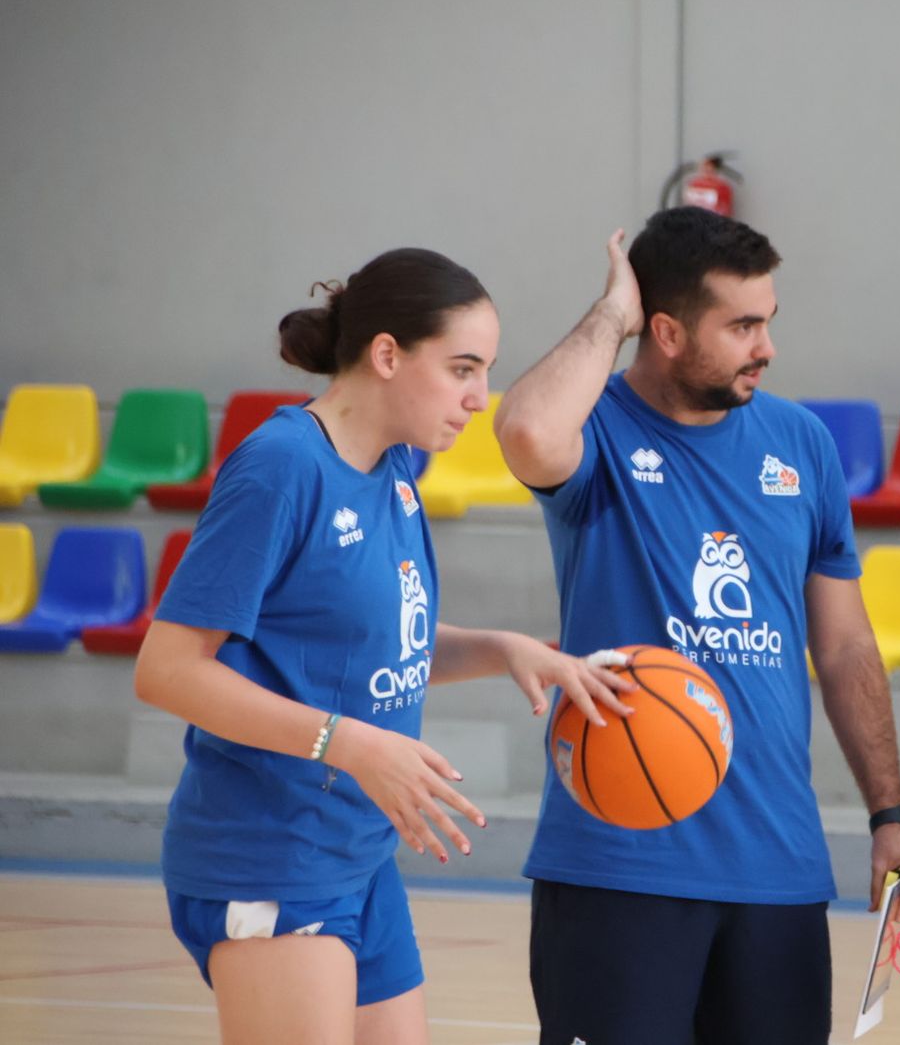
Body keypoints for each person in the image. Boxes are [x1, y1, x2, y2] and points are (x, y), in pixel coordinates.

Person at [134, 247, 632, 1045]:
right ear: (388, 353)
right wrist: (348, 742)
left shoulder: (397, 465)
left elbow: (364, 641)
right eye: (464, 368)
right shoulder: (281, 467)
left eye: (487, 370)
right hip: (269, 852)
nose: (480, 397)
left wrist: (502, 647)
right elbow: (166, 670)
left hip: (358, 854)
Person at [494, 207, 900, 1045]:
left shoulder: (801, 443)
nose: (765, 347)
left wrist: (893, 814)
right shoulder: (597, 430)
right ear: (663, 330)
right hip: (619, 864)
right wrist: (611, 314)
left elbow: (845, 643)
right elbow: (524, 429)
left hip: (776, 871)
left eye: (767, 321)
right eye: (741, 325)